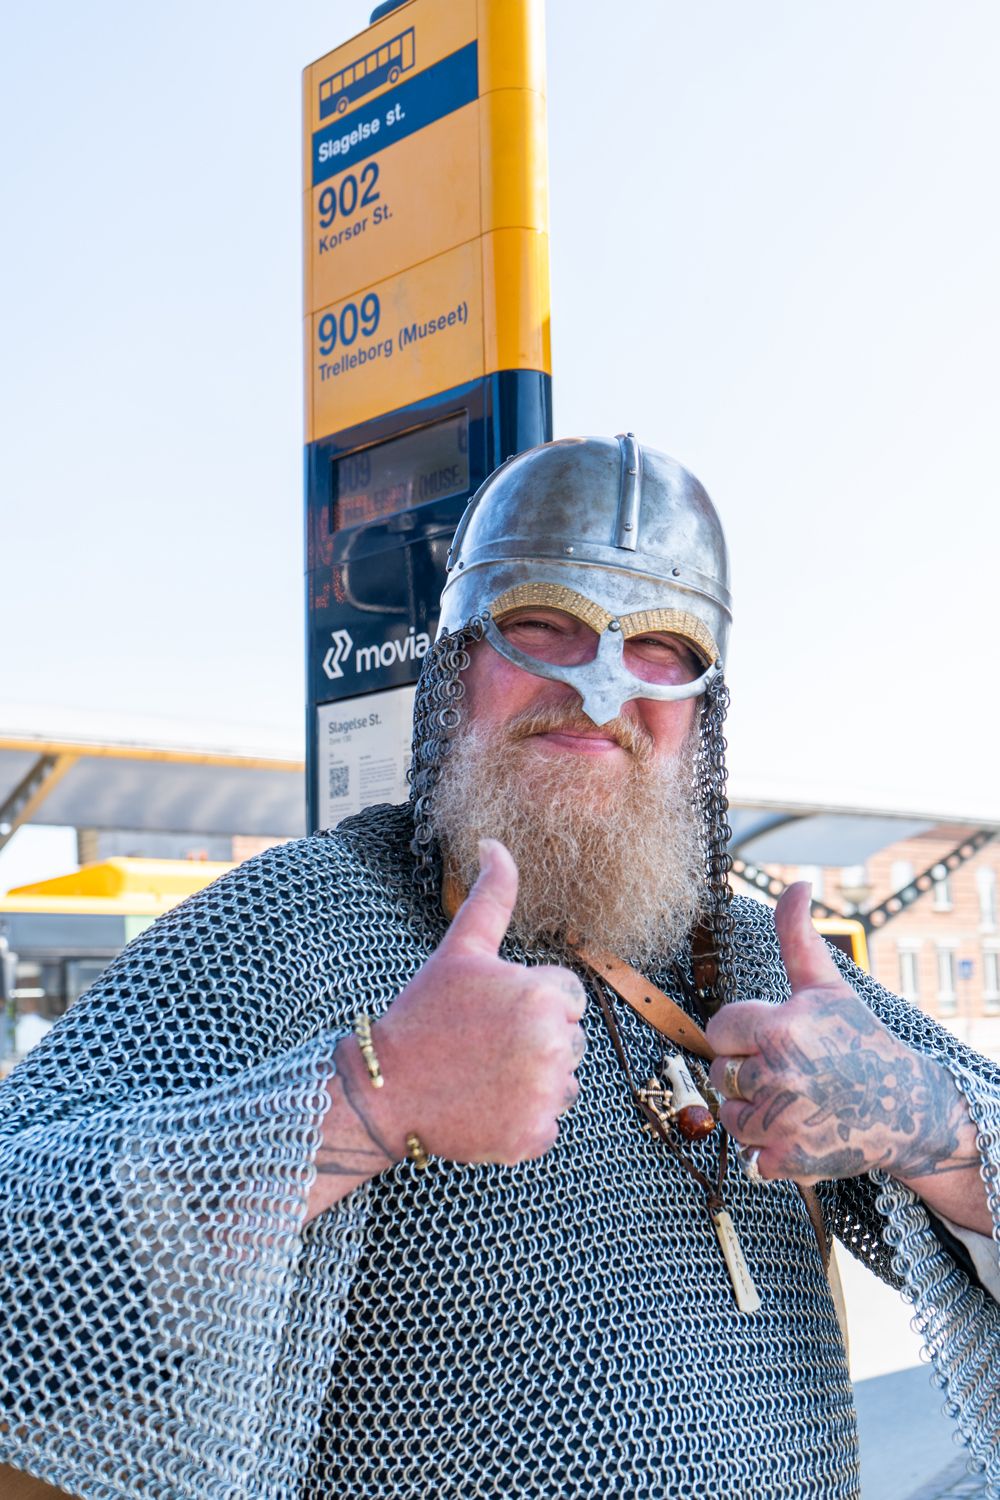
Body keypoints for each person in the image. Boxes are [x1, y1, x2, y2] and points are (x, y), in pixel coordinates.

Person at [1, 436, 998, 1500]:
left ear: (704, 711)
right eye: (543, 624)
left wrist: (923, 1120)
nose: (602, 689)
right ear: (456, 664)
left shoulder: (764, 965)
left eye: (661, 647)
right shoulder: (304, 921)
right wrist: (363, 1106)